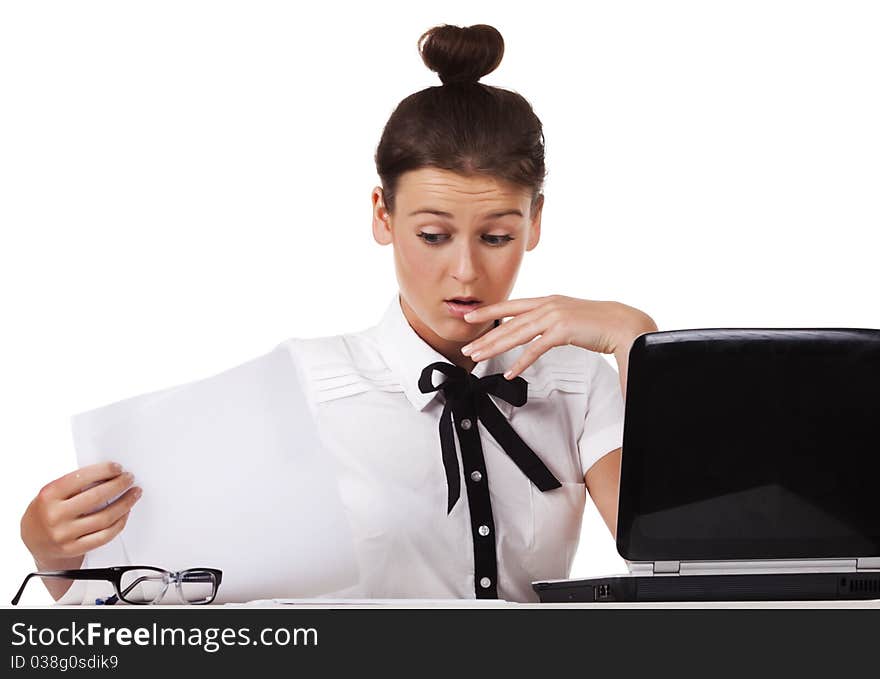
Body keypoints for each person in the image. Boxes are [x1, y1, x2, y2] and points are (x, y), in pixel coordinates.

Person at [20, 23, 657, 603]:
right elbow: (150, 601)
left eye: (495, 237)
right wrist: (54, 554)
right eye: (433, 235)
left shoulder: (577, 383)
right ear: (383, 215)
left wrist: (637, 341)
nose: (465, 271)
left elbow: (677, 566)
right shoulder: (298, 387)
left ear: (534, 222)